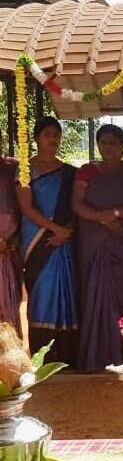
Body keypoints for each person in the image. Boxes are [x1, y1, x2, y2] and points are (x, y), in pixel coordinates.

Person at [72, 124, 123, 373]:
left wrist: (116, 213)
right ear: (98, 145)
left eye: (113, 143)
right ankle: (95, 357)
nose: (107, 147)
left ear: (122, 146)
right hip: (94, 244)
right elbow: (77, 204)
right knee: (93, 296)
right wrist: (100, 217)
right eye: (103, 142)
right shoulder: (87, 172)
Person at [16, 116, 79, 364]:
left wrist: (66, 231)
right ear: (36, 138)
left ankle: (66, 354)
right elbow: (26, 208)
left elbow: (74, 207)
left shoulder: (69, 173)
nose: (52, 139)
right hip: (37, 242)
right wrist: (55, 230)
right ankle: (42, 356)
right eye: (47, 134)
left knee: (66, 292)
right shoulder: (25, 170)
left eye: (56, 134)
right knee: (41, 294)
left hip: (63, 243)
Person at [0, 139, 21, 334]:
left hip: (8, 249)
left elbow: (22, 206)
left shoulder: (13, 168)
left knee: (9, 306)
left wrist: (11, 241)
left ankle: (9, 348)